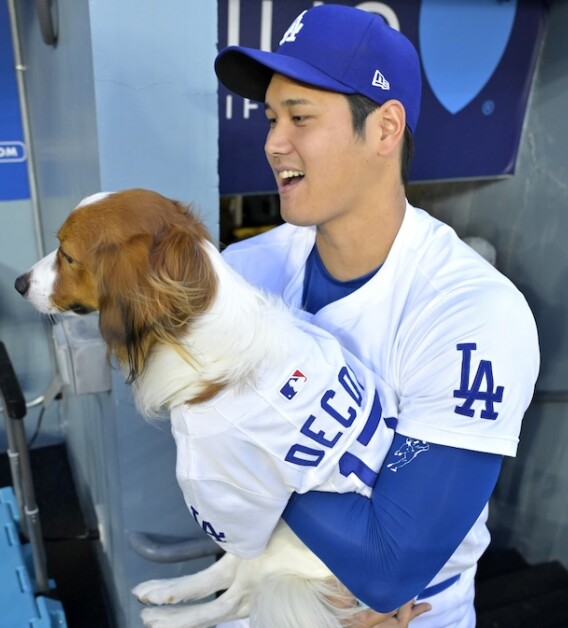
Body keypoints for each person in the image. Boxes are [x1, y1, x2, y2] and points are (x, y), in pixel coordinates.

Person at [214, 5, 540, 627]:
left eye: (301, 117)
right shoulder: (245, 269)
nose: (273, 142)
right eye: (272, 117)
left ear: (386, 128)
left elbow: (389, 563)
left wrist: (236, 448)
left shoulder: (473, 312)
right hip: (263, 593)